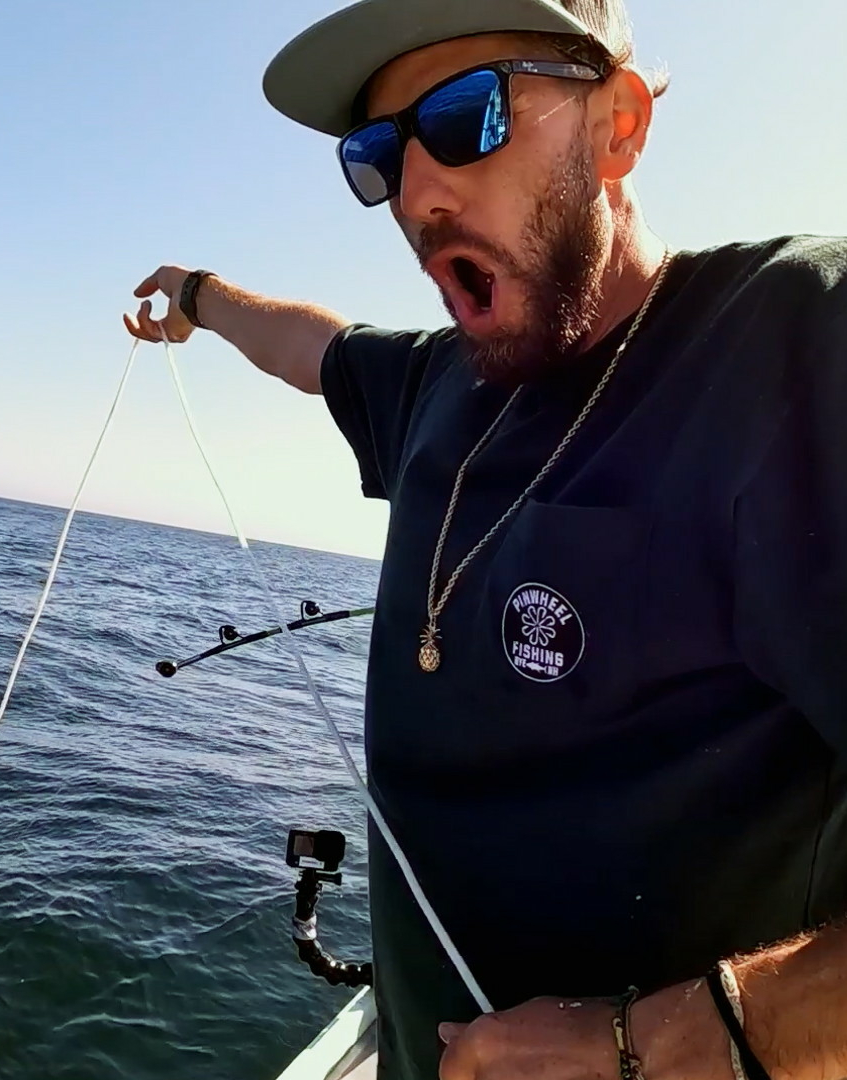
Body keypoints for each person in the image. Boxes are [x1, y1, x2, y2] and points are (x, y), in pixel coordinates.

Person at [125, 1, 847, 1077]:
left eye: (467, 116)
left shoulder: (796, 340)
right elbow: (311, 347)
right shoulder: (435, 386)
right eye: (378, 154)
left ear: (618, 125)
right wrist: (197, 296)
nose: (415, 195)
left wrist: (655, 1044)